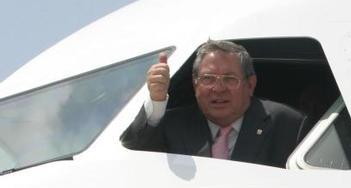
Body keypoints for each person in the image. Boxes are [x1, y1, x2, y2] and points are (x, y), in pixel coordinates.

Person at [121, 40, 307, 168]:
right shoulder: (173, 125)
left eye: (229, 79)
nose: (218, 89)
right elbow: (132, 154)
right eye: (208, 79)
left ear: (250, 85)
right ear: (195, 84)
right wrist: (157, 100)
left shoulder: (288, 123)